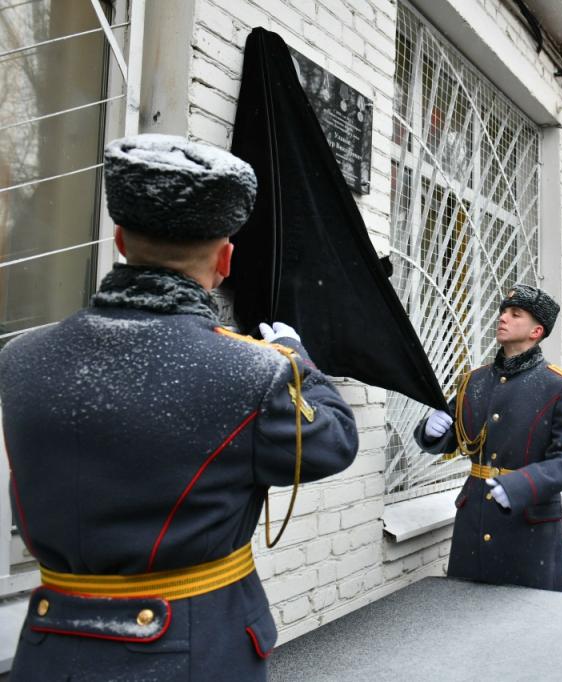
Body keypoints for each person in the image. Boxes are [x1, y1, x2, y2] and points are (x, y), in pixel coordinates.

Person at [0, 134, 360, 681]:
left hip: (49, 648)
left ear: (120, 240)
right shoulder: (255, 370)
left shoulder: (20, 355)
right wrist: (295, 358)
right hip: (190, 646)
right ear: (225, 258)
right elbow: (333, 444)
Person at [413, 284, 562, 591]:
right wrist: (430, 430)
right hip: (474, 518)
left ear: (536, 331)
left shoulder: (559, 387)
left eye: (515, 314)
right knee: (467, 611)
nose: (503, 318)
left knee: (526, 620)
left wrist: (521, 484)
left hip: (528, 523)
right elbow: (458, 436)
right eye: (503, 311)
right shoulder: (474, 380)